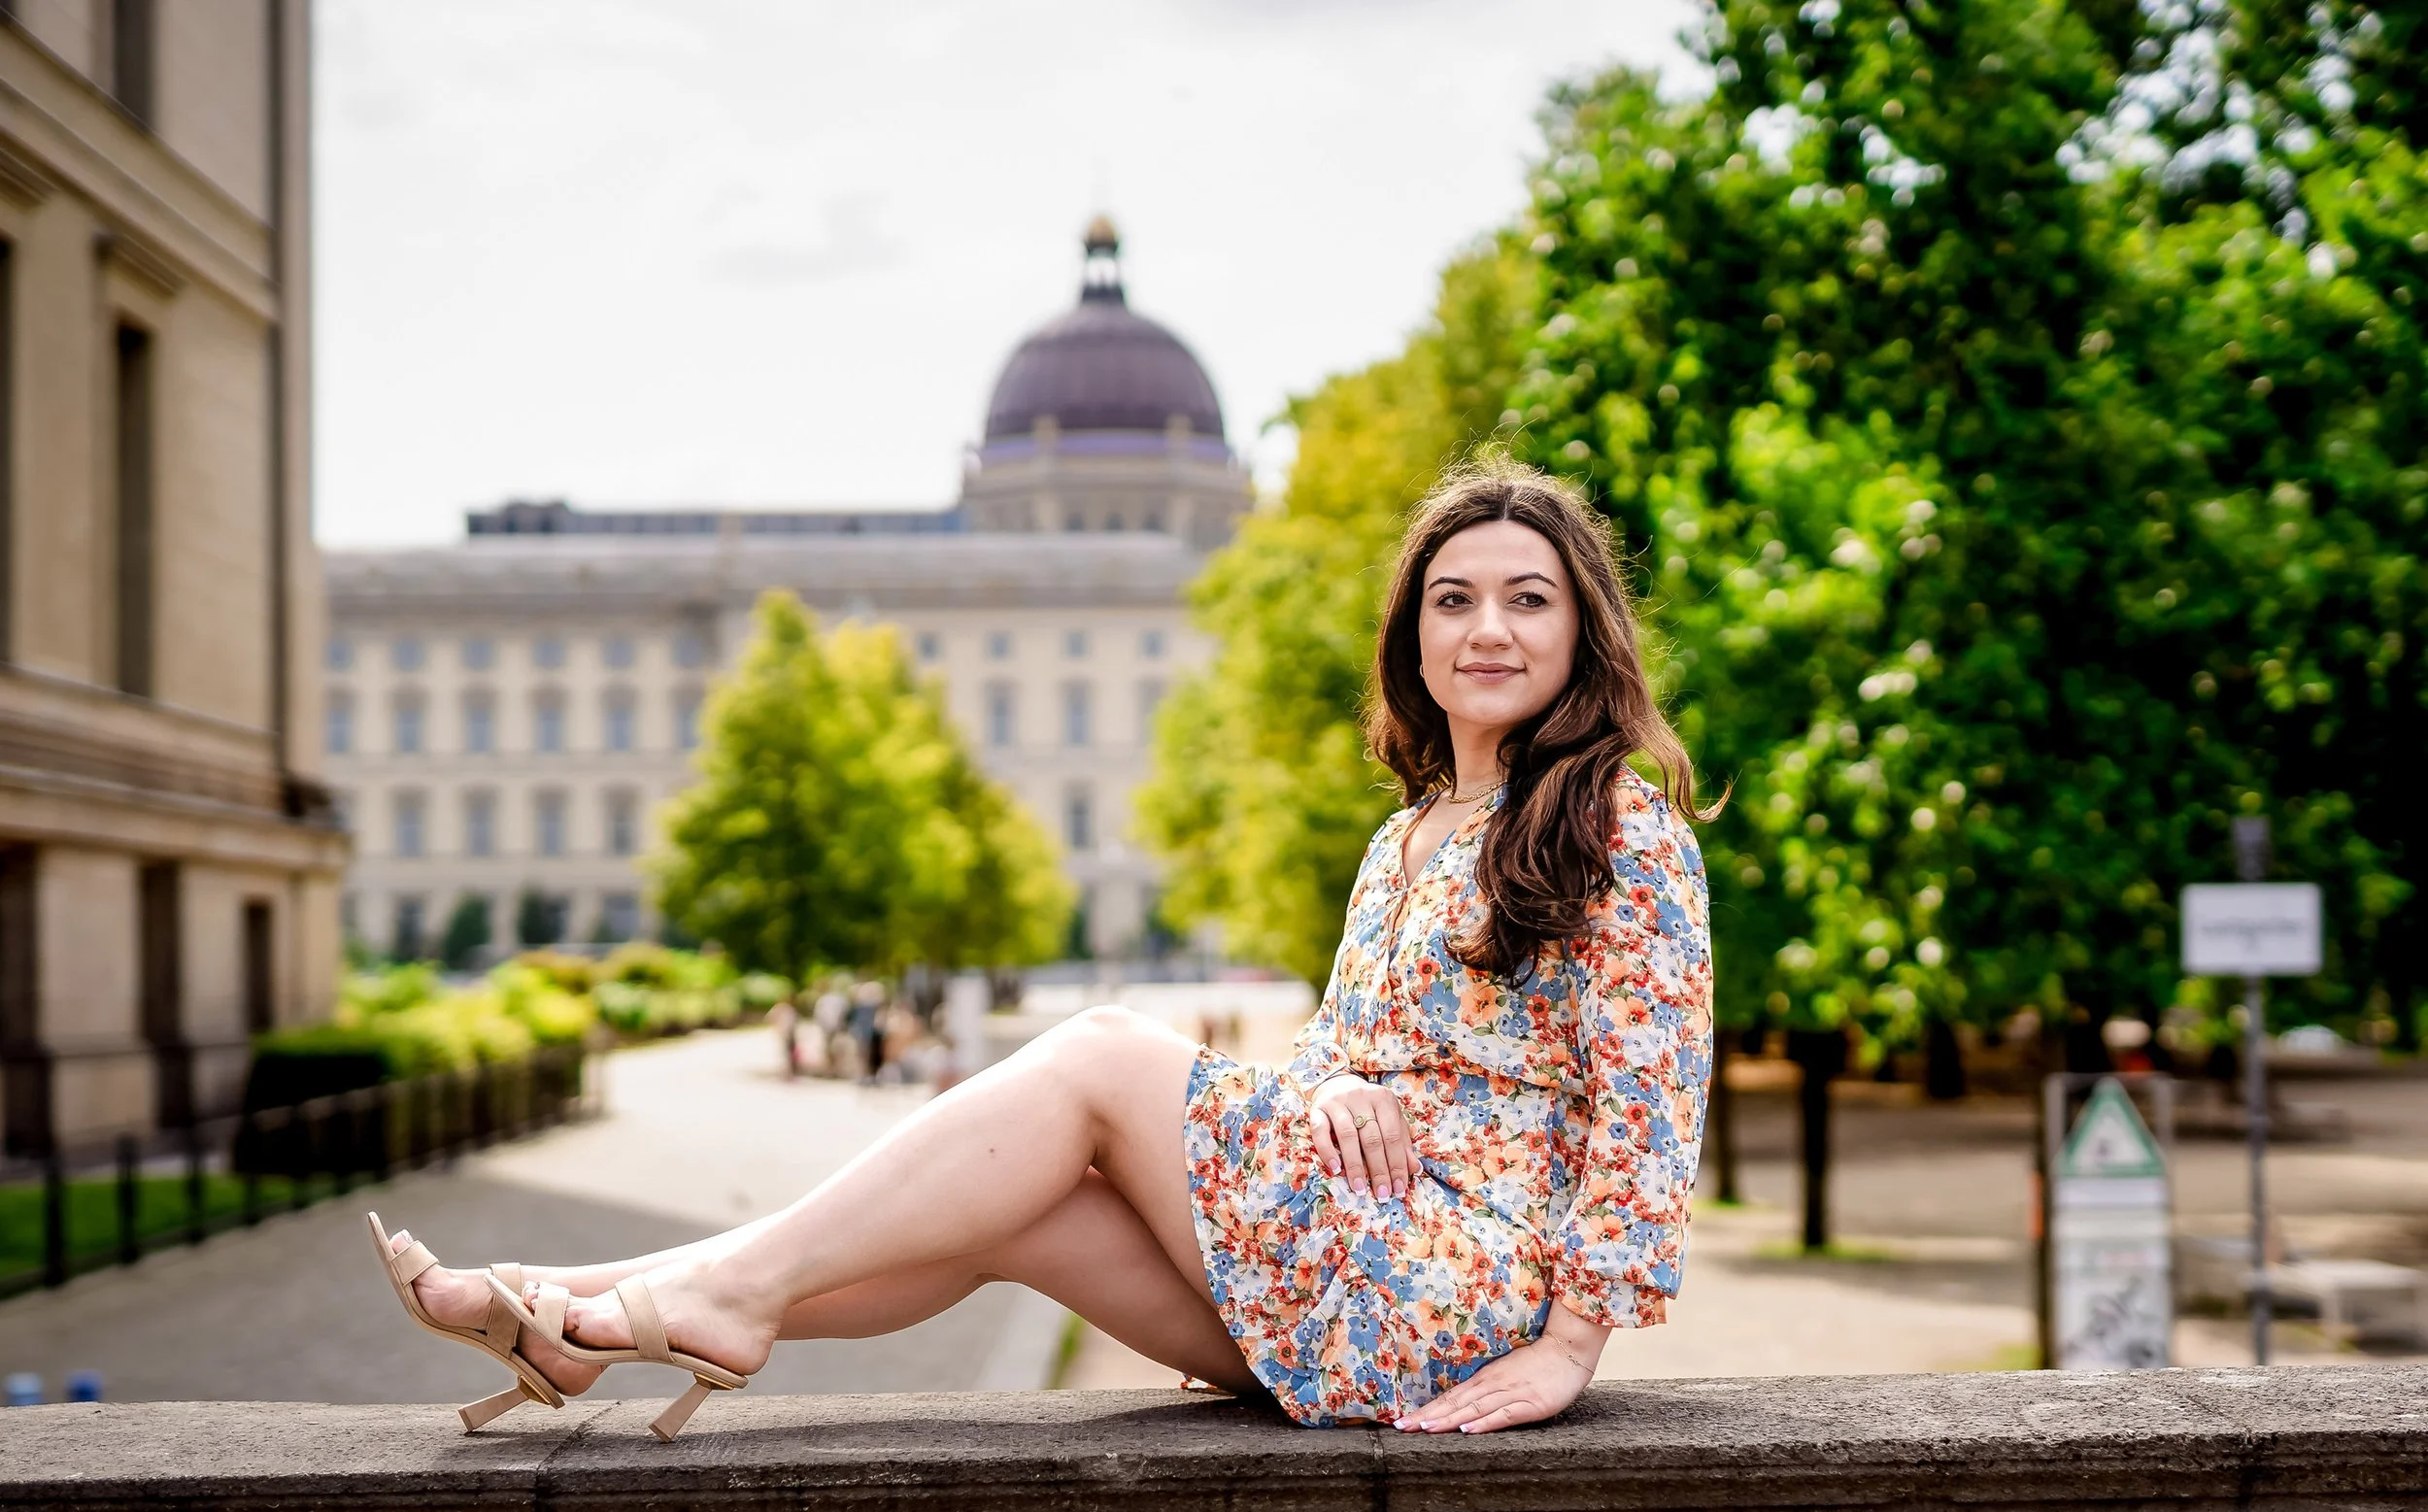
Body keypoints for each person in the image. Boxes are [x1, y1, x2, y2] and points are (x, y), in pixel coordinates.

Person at [370, 460, 1714, 1440]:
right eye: (1454, 598)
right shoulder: (1404, 838)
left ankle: (710, 1296)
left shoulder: (1614, 819)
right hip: (1356, 1261)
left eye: (1527, 600)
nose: (1487, 628)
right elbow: (1338, 1054)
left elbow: (1655, 1103)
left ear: (1580, 627)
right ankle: (577, 1309)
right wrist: (1326, 1088)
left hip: (1460, 1288)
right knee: (1014, 1205)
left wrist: (1571, 1346)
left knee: (1099, 1054)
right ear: (1411, 634)